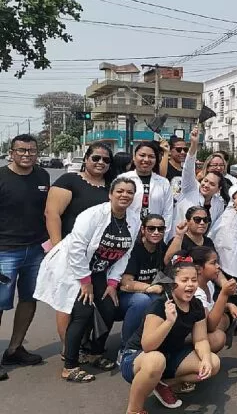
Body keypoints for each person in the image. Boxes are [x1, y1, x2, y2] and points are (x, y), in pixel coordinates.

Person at [35, 178, 140, 383]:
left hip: (100, 272)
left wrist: (112, 283)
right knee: (82, 313)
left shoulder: (133, 219)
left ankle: (94, 353)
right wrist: (85, 281)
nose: (124, 195)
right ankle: (70, 365)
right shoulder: (92, 215)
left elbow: (125, 253)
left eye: (129, 192)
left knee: (108, 308)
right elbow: (76, 248)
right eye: (120, 191)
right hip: (74, 269)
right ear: (110, 194)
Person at [121, 254, 221, 412]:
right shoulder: (160, 305)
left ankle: (164, 383)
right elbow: (147, 346)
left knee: (213, 363)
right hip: (137, 358)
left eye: (194, 280)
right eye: (184, 280)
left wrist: (206, 359)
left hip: (169, 355)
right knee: (155, 359)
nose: (190, 285)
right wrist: (168, 322)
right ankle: (134, 410)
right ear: (173, 283)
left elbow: (201, 339)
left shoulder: (196, 306)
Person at [45, 143, 113, 356]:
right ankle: (69, 350)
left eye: (106, 159)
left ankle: (83, 344)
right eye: (96, 158)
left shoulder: (111, 186)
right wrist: (57, 248)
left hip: (99, 257)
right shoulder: (70, 180)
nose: (101, 162)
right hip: (70, 252)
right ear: (85, 159)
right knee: (67, 302)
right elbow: (52, 213)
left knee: (88, 303)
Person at [0, 134, 50, 380]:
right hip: (5, 250)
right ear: (12, 152)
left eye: (31, 150)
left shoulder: (43, 176)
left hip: (36, 250)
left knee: (29, 299)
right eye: (21, 150)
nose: (27, 154)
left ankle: (14, 349)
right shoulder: (1, 177)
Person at [118, 214, 167, 359]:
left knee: (162, 300)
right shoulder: (135, 249)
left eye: (160, 229)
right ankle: (126, 348)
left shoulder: (161, 248)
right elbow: (126, 283)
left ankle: (153, 343)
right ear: (143, 230)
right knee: (143, 301)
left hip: (149, 293)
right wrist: (149, 287)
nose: (156, 232)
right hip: (123, 297)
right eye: (151, 228)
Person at [173, 126, 226, 240]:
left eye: (212, 184)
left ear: (218, 189)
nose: (206, 185)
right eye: (205, 181)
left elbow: (215, 228)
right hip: (180, 240)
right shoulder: (190, 188)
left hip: (201, 245)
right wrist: (193, 145)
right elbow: (188, 167)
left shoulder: (219, 203)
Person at [190, 247, 237, 353]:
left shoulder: (208, 284)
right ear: (198, 269)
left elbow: (211, 308)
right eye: (213, 263)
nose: (218, 266)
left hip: (200, 333)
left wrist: (228, 305)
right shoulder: (195, 292)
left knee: (225, 318)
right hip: (189, 335)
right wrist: (224, 294)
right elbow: (210, 326)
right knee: (218, 337)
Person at [120, 142, 173, 224]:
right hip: (127, 230)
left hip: (155, 232)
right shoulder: (122, 179)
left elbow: (168, 213)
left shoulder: (164, 183)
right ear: (134, 157)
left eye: (151, 156)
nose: (146, 159)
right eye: (142, 155)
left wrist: (163, 234)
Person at [159, 135, 188, 202]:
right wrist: (166, 152)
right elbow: (161, 177)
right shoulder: (165, 166)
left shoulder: (185, 170)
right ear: (170, 151)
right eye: (179, 150)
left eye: (185, 150)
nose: (183, 152)